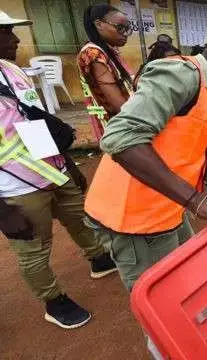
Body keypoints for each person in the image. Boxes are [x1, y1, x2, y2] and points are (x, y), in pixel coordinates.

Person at [83, 29, 207, 292]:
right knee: (166, 306)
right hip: (136, 217)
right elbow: (121, 138)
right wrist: (198, 201)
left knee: (193, 281)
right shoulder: (182, 74)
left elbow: (206, 125)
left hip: (169, 206)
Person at [0, 12, 116, 329]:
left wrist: (65, 162)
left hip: (51, 167)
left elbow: (31, 120)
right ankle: (54, 301)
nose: (16, 39)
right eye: (7, 32)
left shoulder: (11, 70)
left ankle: (99, 258)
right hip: (15, 185)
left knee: (79, 216)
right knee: (33, 248)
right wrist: (2, 211)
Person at [77, 4, 135, 141]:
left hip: (125, 123)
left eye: (127, 29)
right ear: (99, 24)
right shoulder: (93, 54)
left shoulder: (109, 52)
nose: (125, 34)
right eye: (120, 28)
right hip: (118, 128)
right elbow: (119, 104)